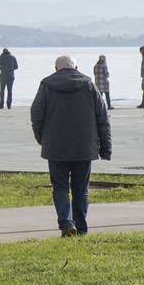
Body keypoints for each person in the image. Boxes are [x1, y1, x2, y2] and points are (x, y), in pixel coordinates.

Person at [30, 55, 111, 237]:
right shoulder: (89, 85)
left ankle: (67, 224)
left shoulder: (46, 85)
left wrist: (42, 138)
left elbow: (36, 114)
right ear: (76, 67)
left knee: (60, 188)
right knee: (81, 189)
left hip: (56, 147)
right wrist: (105, 148)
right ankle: (81, 228)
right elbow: (102, 118)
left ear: (56, 68)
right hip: (84, 146)